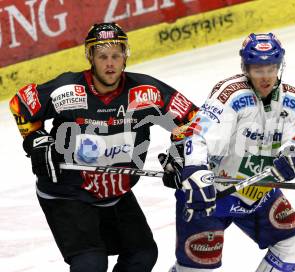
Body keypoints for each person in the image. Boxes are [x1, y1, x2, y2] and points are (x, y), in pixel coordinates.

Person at [9, 22, 198, 272]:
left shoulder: (146, 92)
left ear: (125, 57)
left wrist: (180, 155)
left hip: (115, 193)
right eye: (102, 56)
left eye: (116, 56)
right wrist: (38, 142)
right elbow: (21, 104)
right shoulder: (68, 90)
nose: (110, 63)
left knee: (142, 255)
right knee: (90, 264)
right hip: (67, 192)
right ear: (90, 57)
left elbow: (193, 119)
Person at [162, 33, 295, 272]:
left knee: (292, 243)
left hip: (257, 190)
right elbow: (198, 135)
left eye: (271, 68)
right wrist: (196, 173)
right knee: (196, 269)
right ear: (246, 68)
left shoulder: (294, 100)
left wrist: (291, 155)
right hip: (213, 193)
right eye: (258, 69)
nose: (266, 76)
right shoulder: (231, 94)